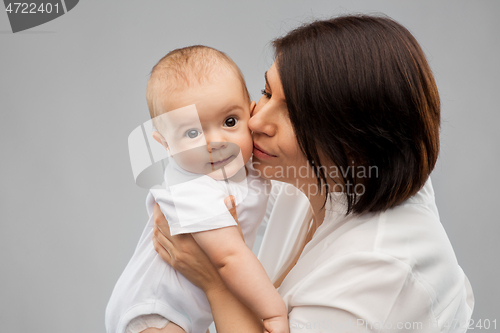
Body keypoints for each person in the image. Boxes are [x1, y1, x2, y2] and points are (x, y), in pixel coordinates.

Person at [150, 15, 475, 333]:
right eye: (265, 92)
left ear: (352, 147)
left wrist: (215, 282)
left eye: (293, 115)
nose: (256, 121)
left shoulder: (378, 270)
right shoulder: (327, 176)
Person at [105, 46, 288, 333]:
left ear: (250, 111)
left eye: (230, 121)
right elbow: (229, 258)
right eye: (192, 133)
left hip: (188, 310)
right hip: (156, 311)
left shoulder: (244, 166)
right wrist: (273, 312)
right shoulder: (191, 189)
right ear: (164, 144)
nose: (216, 141)